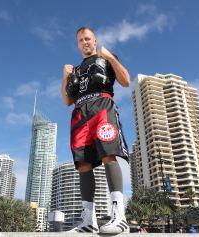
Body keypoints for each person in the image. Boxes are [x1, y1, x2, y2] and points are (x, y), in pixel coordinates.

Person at [61, 26, 130, 234]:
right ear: (78, 44)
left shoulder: (105, 58)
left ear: (94, 39)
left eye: (88, 38)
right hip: (80, 112)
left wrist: (110, 57)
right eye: (81, 40)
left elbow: (126, 81)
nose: (85, 42)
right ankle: (88, 221)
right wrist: (64, 77)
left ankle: (119, 216)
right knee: (83, 164)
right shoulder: (75, 69)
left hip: (102, 106)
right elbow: (67, 100)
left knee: (109, 155)